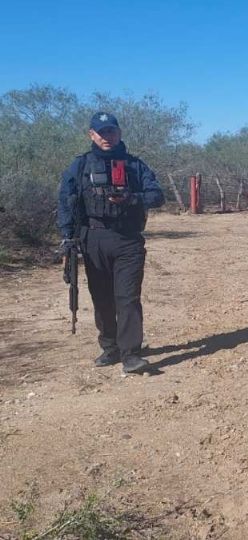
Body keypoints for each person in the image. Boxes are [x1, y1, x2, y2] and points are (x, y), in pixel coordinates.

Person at [56, 112, 165, 374]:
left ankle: (131, 354)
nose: (107, 137)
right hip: (92, 238)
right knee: (102, 298)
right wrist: (67, 237)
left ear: (119, 133)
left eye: (111, 131)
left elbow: (157, 196)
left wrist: (131, 197)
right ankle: (110, 347)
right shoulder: (80, 166)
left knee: (127, 297)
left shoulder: (135, 165)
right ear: (91, 135)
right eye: (101, 132)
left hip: (127, 239)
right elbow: (66, 201)